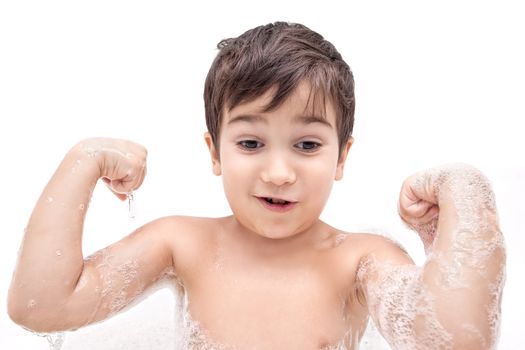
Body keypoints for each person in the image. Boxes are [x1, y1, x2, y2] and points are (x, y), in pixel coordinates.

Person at [7, 22, 505, 349]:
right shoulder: (181, 243)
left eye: (307, 146)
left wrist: (465, 190)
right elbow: (42, 307)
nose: (278, 173)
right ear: (214, 152)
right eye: (250, 143)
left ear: (342, 157)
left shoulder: (358, 260)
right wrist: (83, 162)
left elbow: (455, 340)